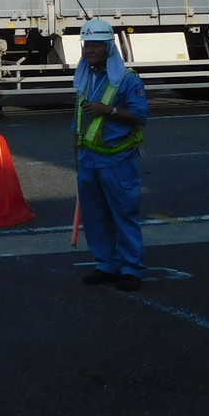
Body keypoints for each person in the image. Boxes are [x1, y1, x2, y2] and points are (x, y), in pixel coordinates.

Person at [73, 17, 149, 290]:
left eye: (96, 45)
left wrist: (109, 111)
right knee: (94, 215)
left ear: (109, 47)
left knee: (123, 213)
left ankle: (131, 269)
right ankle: (106, 264)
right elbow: (78, 121)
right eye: (86, 44)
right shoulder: (85, 77)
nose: (89, 50)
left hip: (116, 159)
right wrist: (76, 155)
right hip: (87, 159)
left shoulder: (127, 79)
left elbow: (140, 115)